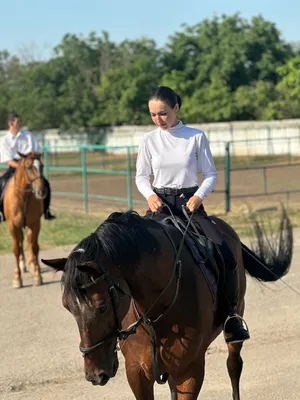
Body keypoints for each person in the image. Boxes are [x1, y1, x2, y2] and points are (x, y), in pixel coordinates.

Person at [135, 86, 249, 344]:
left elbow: (210, 174)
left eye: (162, 113)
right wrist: (150, 196)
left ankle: (231, 317)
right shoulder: (148, 140)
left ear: (176, 108)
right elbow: (141, 176)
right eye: (153, 115)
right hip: (159, 205)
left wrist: (198, 196)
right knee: (138, 256)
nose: (158, 120)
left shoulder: (195, 137)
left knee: (224, 251)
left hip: (190, 204)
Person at [0, 112, 56, 222]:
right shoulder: (5, 140)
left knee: (45, 183)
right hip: (15, 167)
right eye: (18, 122)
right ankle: (1, 212)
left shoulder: (28, 135)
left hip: (31, 165)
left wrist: (39, 153)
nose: (20, 124)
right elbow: (8, 160)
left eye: (20, 122)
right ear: (11, 123)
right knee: (1, 182)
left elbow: (38, 150)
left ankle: (46, 210)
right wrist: (21, 167)